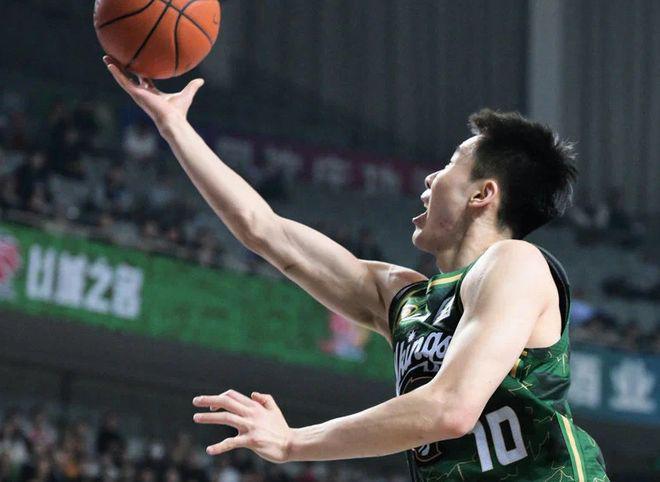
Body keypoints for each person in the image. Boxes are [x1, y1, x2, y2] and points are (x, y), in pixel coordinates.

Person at [104, 56, 609, 481]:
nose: (430, 179)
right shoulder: (409, 301)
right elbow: (264, 230)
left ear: (483, 194)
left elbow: (450, 408)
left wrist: (293, 442)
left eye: (449, 165)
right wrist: (173, 126)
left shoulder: (517, 263)